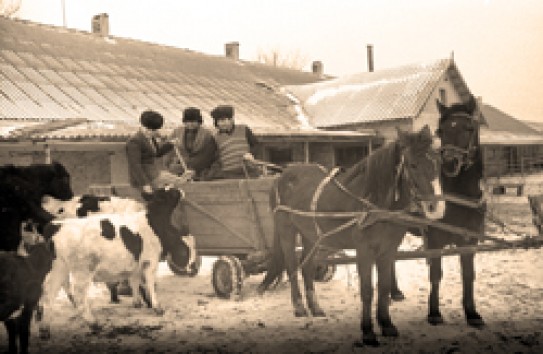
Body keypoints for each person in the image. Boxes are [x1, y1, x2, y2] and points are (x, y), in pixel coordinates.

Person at [164, 107, 217, 181]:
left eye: (193, 121)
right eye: (187, 121)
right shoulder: (177, 132)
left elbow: (208, 155)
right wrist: (168, 165)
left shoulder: (207, 134)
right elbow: (168, 150)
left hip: (199, 169)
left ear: (199, 121)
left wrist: (195, 169)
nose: (190, 124)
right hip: (179, 168)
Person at [210, 104, 259, 179]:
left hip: (249, 171)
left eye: (227, 119)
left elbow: (256, 145)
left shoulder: (244, 129)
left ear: (232, 119)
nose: (224, 123)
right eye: (221, 121)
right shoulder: (215, 138)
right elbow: (214, 158)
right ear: (217, 123)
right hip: (229, 174)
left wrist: (251, 154)